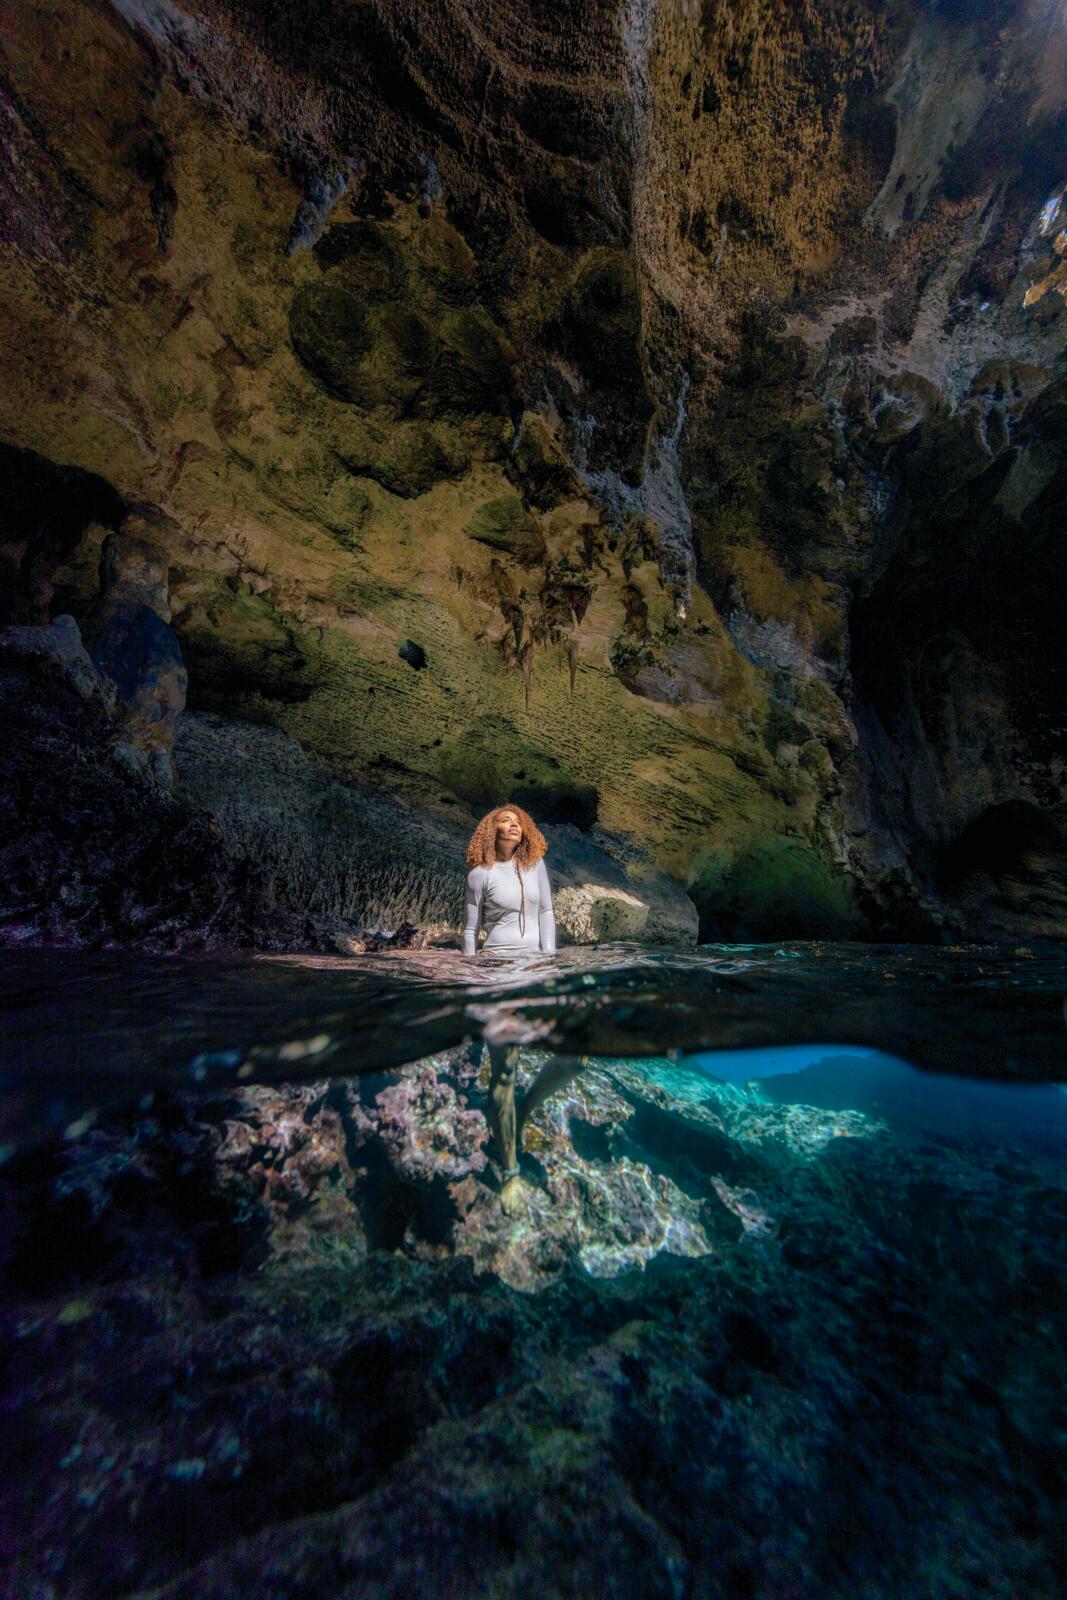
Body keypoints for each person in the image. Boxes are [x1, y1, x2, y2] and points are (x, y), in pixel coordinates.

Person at [462, 803, 584, 1215]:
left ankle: (525, 1108)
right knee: (505, 1072)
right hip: (496, 970)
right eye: (504, 820)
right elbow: (469, 928)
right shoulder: (479, 874)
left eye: (518, 820)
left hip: (538, 968)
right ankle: (510, 1172)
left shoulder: (537, 866)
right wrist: (471, 973)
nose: (513, 824)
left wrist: (551, 961)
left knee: (577, 1057)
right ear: (490, 830)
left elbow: (547, 912)